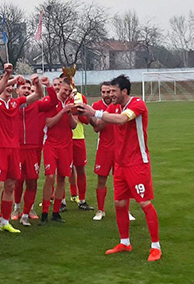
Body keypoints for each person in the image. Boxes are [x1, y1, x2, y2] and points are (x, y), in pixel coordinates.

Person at [78, 75, 161, 262]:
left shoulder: (137, 104)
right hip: (120, 163)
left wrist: (96, 112)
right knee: (120, 204)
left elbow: (122, 119)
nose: (111, 95)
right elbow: (99, 126)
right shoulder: (114, 107)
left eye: (114, 91)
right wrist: (84, 113)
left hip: (137, 163)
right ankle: (125, 242)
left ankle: (155, 246)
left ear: (124, 91)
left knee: (144, 203)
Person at [0, 66, 43, 235]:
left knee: (10, 186)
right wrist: (8, 77)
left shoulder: (16, 102)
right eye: (6, 84)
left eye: (11, 85)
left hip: (14, 149)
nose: (9, 87)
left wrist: (37, 83)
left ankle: (4, 220)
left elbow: (38, 95)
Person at [11, 77, 58, 226]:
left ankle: (27, 212)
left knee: (32, 180)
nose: (26, 90)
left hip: (34, 148)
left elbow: (53, 101)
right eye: (23, 88)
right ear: (17, 91)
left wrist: (44, 85)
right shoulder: (12, 105)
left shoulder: (38, 105)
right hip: (17, 148)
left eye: (28, 88)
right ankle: (16, 207)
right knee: (17, 180)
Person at [90, 82, 136, 221]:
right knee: (101, 179)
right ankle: (100, 210)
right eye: (104, 92)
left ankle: (125, 211)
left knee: (122, 181)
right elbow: (97, 127)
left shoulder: (123, 106)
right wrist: (88, 114)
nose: (107, 95)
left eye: (109, 92)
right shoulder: (97, 106)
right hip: (104, 148)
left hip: (120, 149)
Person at [40, 77, 77, 225]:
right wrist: (62, 112)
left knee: (62, 177)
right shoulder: (52, 102)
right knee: (50, 177)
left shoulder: (70, 103)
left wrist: (69, 114)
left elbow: (74, 125)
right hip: (51, 144)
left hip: (66, 145)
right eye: (64, 90)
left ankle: (56, 212)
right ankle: (44, 213)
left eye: (69, 91)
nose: (66, 93)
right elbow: (48, 123)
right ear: (59, 88)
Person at [66, 88, 94, 211]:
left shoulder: (81, 97)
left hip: (78, 138)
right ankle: (70, 195)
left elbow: (87, 120)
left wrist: (77, 113)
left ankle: (82, 199)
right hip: (63, 139)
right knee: (65, 170)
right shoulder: (59, 97)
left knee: (80, 169)